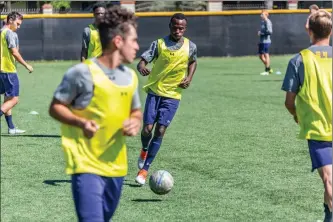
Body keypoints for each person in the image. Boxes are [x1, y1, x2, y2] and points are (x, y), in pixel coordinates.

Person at [49, 6, 141, 221]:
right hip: (86, 166)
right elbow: (56, 106)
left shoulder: (131, 77)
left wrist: (135, 123)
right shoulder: (81, 73)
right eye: (134, 40)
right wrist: (81, 123)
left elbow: (136, 112)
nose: (137, 46)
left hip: (117, 168)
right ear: (118, 41)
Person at [135, 13, 198, 185]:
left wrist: (189, 78)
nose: (178, 30)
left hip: (173, 95)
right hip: (155, 91)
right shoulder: (159, 44)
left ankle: (145, 169)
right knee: (147, 129)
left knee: (160, 130)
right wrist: (142, 67)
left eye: (181, 28)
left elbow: (193, 62)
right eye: (175, 27)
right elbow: (142, 61)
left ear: (185, 28)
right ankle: (144, 149)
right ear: (170, 26)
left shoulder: (190, 46)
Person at [281, 9, 332, 222]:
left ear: (308, 29)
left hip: (318, 130)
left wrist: (296, 116)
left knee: (329, 181)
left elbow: (289, 102)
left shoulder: (299, 60)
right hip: (319, 130)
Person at [0, 12, 33, 134]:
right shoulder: (9, 33)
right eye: (18, 24)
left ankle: (11, 128)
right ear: (10, 20)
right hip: (9, 70)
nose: (18, 27)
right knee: (14, 100)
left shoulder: (1, 31)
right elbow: (14, 52)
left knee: (7, 99)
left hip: (1, 70)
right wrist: (27, 65)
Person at [258, 10, 273, 76]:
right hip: (262, 41)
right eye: (261, 14)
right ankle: (269, 68)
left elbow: (270, 32)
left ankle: (267, 70)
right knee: (261, 56)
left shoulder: (268, 22)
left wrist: (261, 33)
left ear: (266, 15)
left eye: (262, 14)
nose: (261, 15)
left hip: (266, 41)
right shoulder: (262, 22)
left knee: (266, 54)